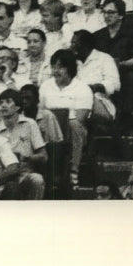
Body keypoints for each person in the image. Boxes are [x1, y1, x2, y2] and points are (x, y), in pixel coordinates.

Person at [38, 49, 93, 186]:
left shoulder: (82, 88)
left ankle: (74, 170)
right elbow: (39, 112)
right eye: (53, 66)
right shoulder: (45, 86)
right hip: (48, 129)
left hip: (71, 130)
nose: (56, 71)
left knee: (74, 125)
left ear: (70, 68)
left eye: (60, 67)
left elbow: (80, 118)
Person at [0, 88, 47, 199]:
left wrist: (26, 158)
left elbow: (43, 156)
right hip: (4, 176)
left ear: (18, 106)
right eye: (1, 102)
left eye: (8, 101)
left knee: (37, 179)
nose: (3, 105)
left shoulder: (30, 124)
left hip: (25, 174)